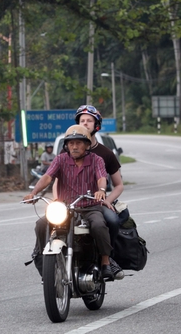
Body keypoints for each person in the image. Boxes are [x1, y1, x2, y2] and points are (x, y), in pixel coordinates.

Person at [23, 125, 122, 281]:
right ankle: (42, 258)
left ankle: (105, 262)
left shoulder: (96, 160)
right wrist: (33, 193)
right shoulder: (60, 159)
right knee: (41, 224)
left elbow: (102, 178)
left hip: (90, 207)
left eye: (78, 143)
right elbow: (47, 177)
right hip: (65, 208)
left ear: (87, 145)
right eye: (71, 143)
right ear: (66, 145)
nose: (74, 146)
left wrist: (101, 190)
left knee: (99, 225)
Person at [72, 105, 126, 279]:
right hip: (71, 202)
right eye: (82, 120)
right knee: (45, 223)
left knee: (112, 220)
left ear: (97, 125)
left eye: (89, 120)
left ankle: (107, 259)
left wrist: (107, 200)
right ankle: (46, 259)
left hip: (96, 203)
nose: (85, 123)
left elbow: (118, 185)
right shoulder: (69, 150)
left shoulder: (106, 153)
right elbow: (56, 178)